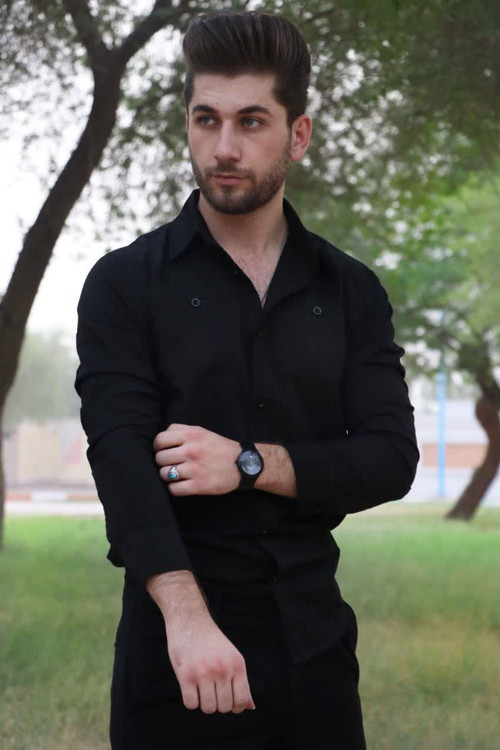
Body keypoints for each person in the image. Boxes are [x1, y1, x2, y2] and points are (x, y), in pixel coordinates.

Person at [75, 10, 419, 749]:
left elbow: (390, 458)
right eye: (207, 119)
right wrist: (188, 621)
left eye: (251, 121)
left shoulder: (351, 291)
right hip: (177, 657)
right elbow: (121, 464)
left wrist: (250, 463)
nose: (224, 147)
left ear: (298, 134)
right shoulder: (124, 284)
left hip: (316, 652)